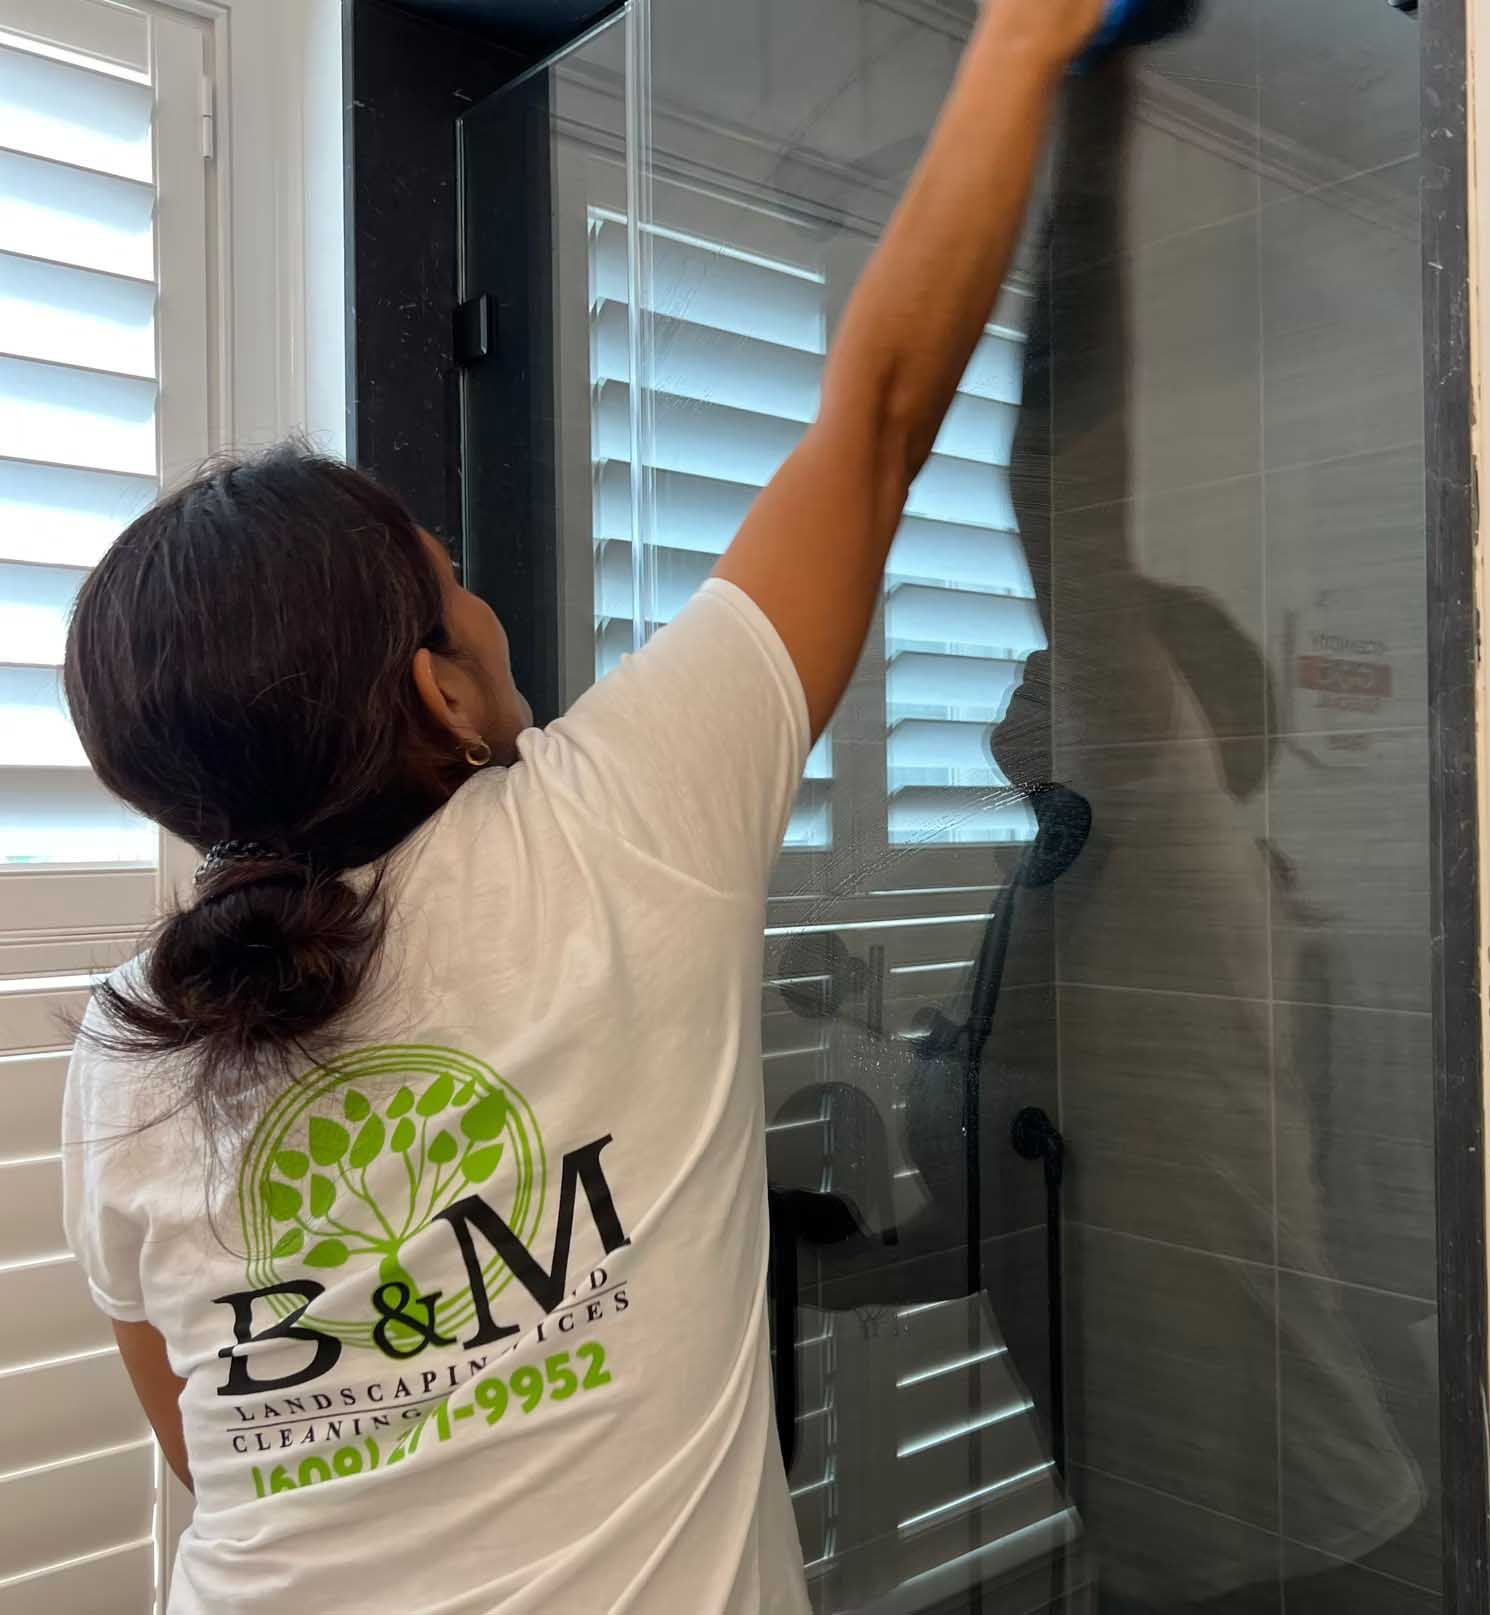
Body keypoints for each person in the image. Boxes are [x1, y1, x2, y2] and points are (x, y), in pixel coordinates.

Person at [59, 2, 1112, 1610]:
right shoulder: (614, 822)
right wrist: (1025, 40)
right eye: (454, 582)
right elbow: (879, 415)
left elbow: (208, 1452)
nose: (486, 607)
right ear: (438, 692)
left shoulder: (129, 1042)